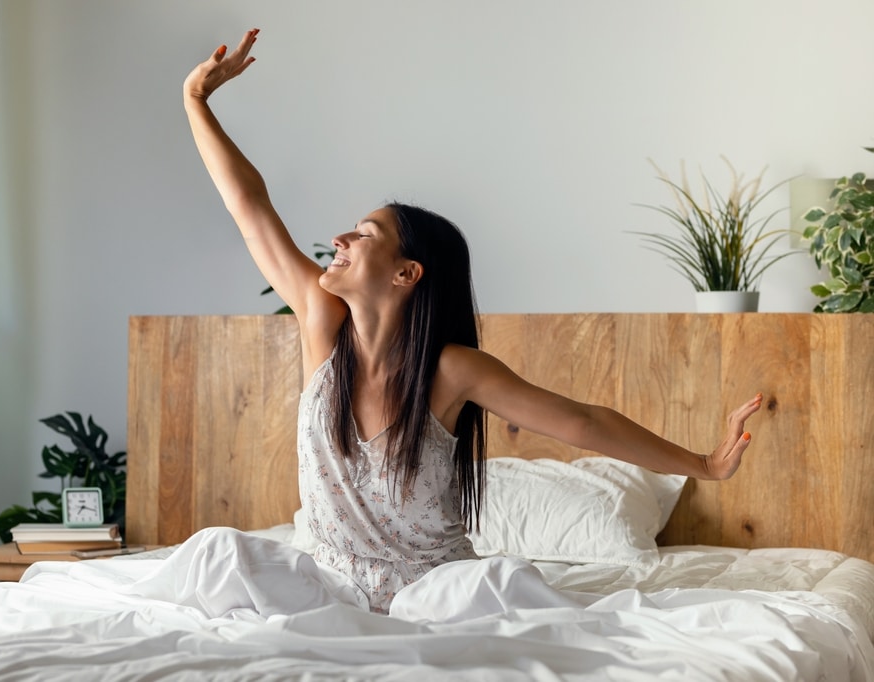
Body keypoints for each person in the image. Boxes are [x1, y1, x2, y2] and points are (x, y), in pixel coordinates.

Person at [182, 28, 763, 614]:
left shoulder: (452, 369)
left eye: (365, 234)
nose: (339, 239)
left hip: (434, 591)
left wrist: (705, 465)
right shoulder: (322, 326)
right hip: (331, 586)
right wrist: (196, 102)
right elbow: (250, 207)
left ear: (407, 273)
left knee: (510, 592)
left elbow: (584, 424)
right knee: (217, 554)